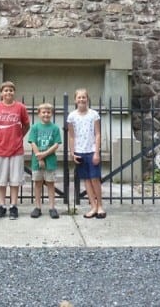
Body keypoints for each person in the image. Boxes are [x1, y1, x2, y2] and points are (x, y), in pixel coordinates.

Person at [0, 81, 30, 220]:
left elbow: (26, 125)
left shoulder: (20, 107)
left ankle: (13, 206)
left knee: (15, 179)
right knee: (1, 179)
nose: (8, 92)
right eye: (5, 90)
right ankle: (1, 206)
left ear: (14, 92)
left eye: (11, 90)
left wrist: (19, 137)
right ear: (1, 93)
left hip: (16, 149)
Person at [67, 88, 106, 219]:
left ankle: (100, 205)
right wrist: (72, 153)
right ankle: (93, 206)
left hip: (91, 151)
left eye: (84, 97)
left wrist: (97, 152)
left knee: (95, 179)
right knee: (86, 180)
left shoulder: (93, 114)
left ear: (87, 99)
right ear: (75, 100)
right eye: (79, 97)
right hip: (80, 151)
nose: (82, 99)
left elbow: (98, 133)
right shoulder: (72, 116)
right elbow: (71, 136)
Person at [28, 103, 62, 219]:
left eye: (48, 112)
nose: (46, 114)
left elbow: (56, 144)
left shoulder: (55, 128)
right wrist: (39, 157)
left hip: (50, 161)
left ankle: (52, 207)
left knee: (50, 184)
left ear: (51, 114)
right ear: (39, 114)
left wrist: (44, 155)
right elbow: (32, 142)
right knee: (37, 184)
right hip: (37, 161)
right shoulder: (35, 127)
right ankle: (37, 207)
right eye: (43, 112)